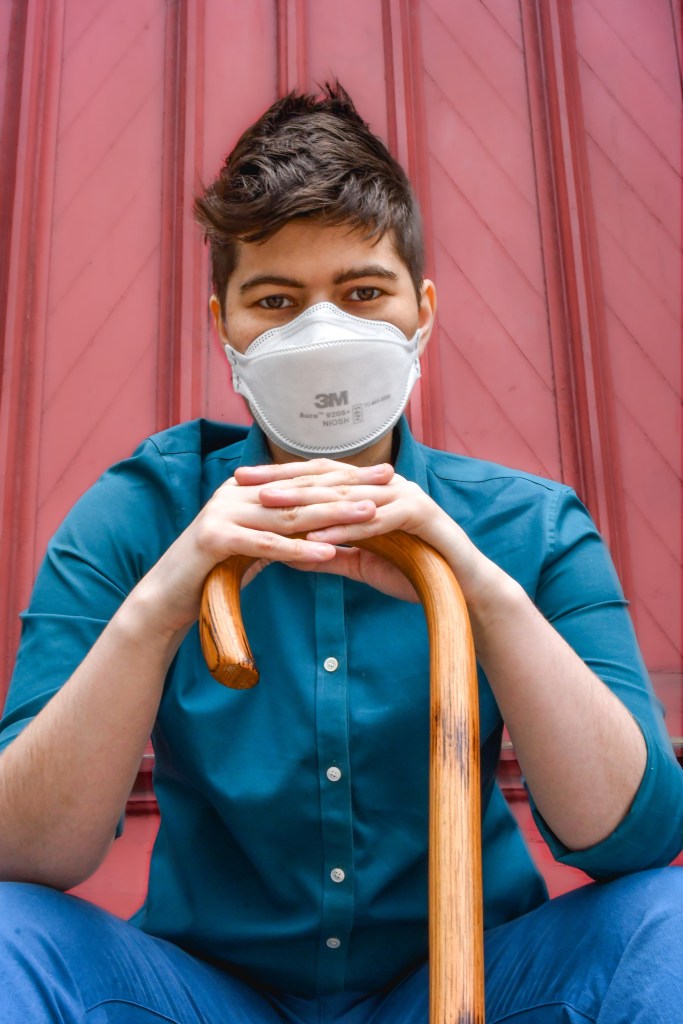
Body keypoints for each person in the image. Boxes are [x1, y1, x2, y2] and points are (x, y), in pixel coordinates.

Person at [0, 82, 681, 1024]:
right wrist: (162, 602)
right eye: (275, 301)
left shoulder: (529, 527)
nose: (321, 332)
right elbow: (25, 853)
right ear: (223, 327)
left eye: (363, 294)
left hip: (470, 987)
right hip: (209, 997)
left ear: (422, 312)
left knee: (668, 926)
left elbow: (636, 839)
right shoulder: (137, 515)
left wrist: (481, 593)